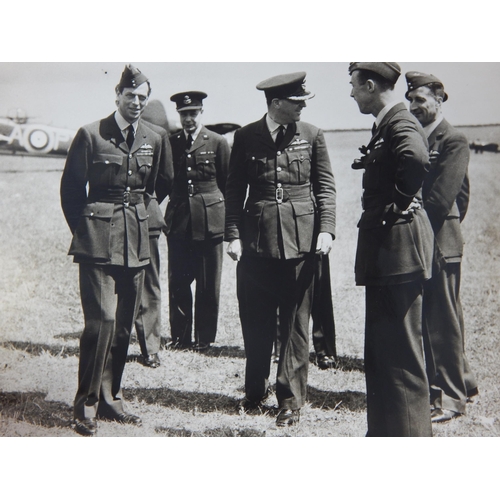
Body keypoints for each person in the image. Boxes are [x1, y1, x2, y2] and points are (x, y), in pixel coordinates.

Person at [60, 64, 173, 436]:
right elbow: (71, 190)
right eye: (130, 96)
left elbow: (159, 183)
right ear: (118, 96)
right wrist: (88, 228)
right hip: (97, 242)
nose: (137, 103)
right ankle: (86, 405)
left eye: (142, 97)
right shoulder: (91, 135)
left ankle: (111, 398)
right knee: (102, 321)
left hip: (136, 240)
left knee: (124, 324)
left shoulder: (155, 138)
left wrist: (141, 218)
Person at [225, 72, 336, 427]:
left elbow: (325, 188)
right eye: (297, 101)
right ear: (276, 104)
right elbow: (233, 191)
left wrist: (327, 229)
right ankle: (255, 390)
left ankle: (289, 399)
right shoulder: (245, 137)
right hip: (256, 244)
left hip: (300, 243)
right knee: (255, 319)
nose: (302, 106)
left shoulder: (312, 135)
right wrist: (232, 234)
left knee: (295, 324)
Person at [348, 62, 434, 436]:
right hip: (387, 253)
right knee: (383, 355)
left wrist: (400, 202)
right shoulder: (385, 123)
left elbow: (416, 159)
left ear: (369, 85)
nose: (351, 93)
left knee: (401, 359)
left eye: (354, 86)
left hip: (399, 252)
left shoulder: (399, 122)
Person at [405, 71, 478, 423]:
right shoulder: (417, 138)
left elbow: (445, 198)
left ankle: (450, 398)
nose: (413, 106)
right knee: (445, 315)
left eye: (420, 100)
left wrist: (445, 228)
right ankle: (463, 381)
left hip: (439, 241)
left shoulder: (452, 139)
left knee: (442, 319)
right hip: (430, 237)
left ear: (439, 100)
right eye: (410, 100)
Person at [165, 91, 230, 350]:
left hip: (210, 221)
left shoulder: (217, 142)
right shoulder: (171, 143)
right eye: (183, 114)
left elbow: (227, 184)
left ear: (201, 112)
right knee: (179, 281)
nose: (188, 119)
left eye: (192, 113)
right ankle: (180, 337)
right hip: (180, 221)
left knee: (207, 283)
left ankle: (204, 339)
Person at [133, 120, 173, 368]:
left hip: (146, 215)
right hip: (117, 218)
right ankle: (121, 339)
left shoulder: (156, 135)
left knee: (148, 282)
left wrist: (148, 200)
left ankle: (150, 347)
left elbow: (166, 177)